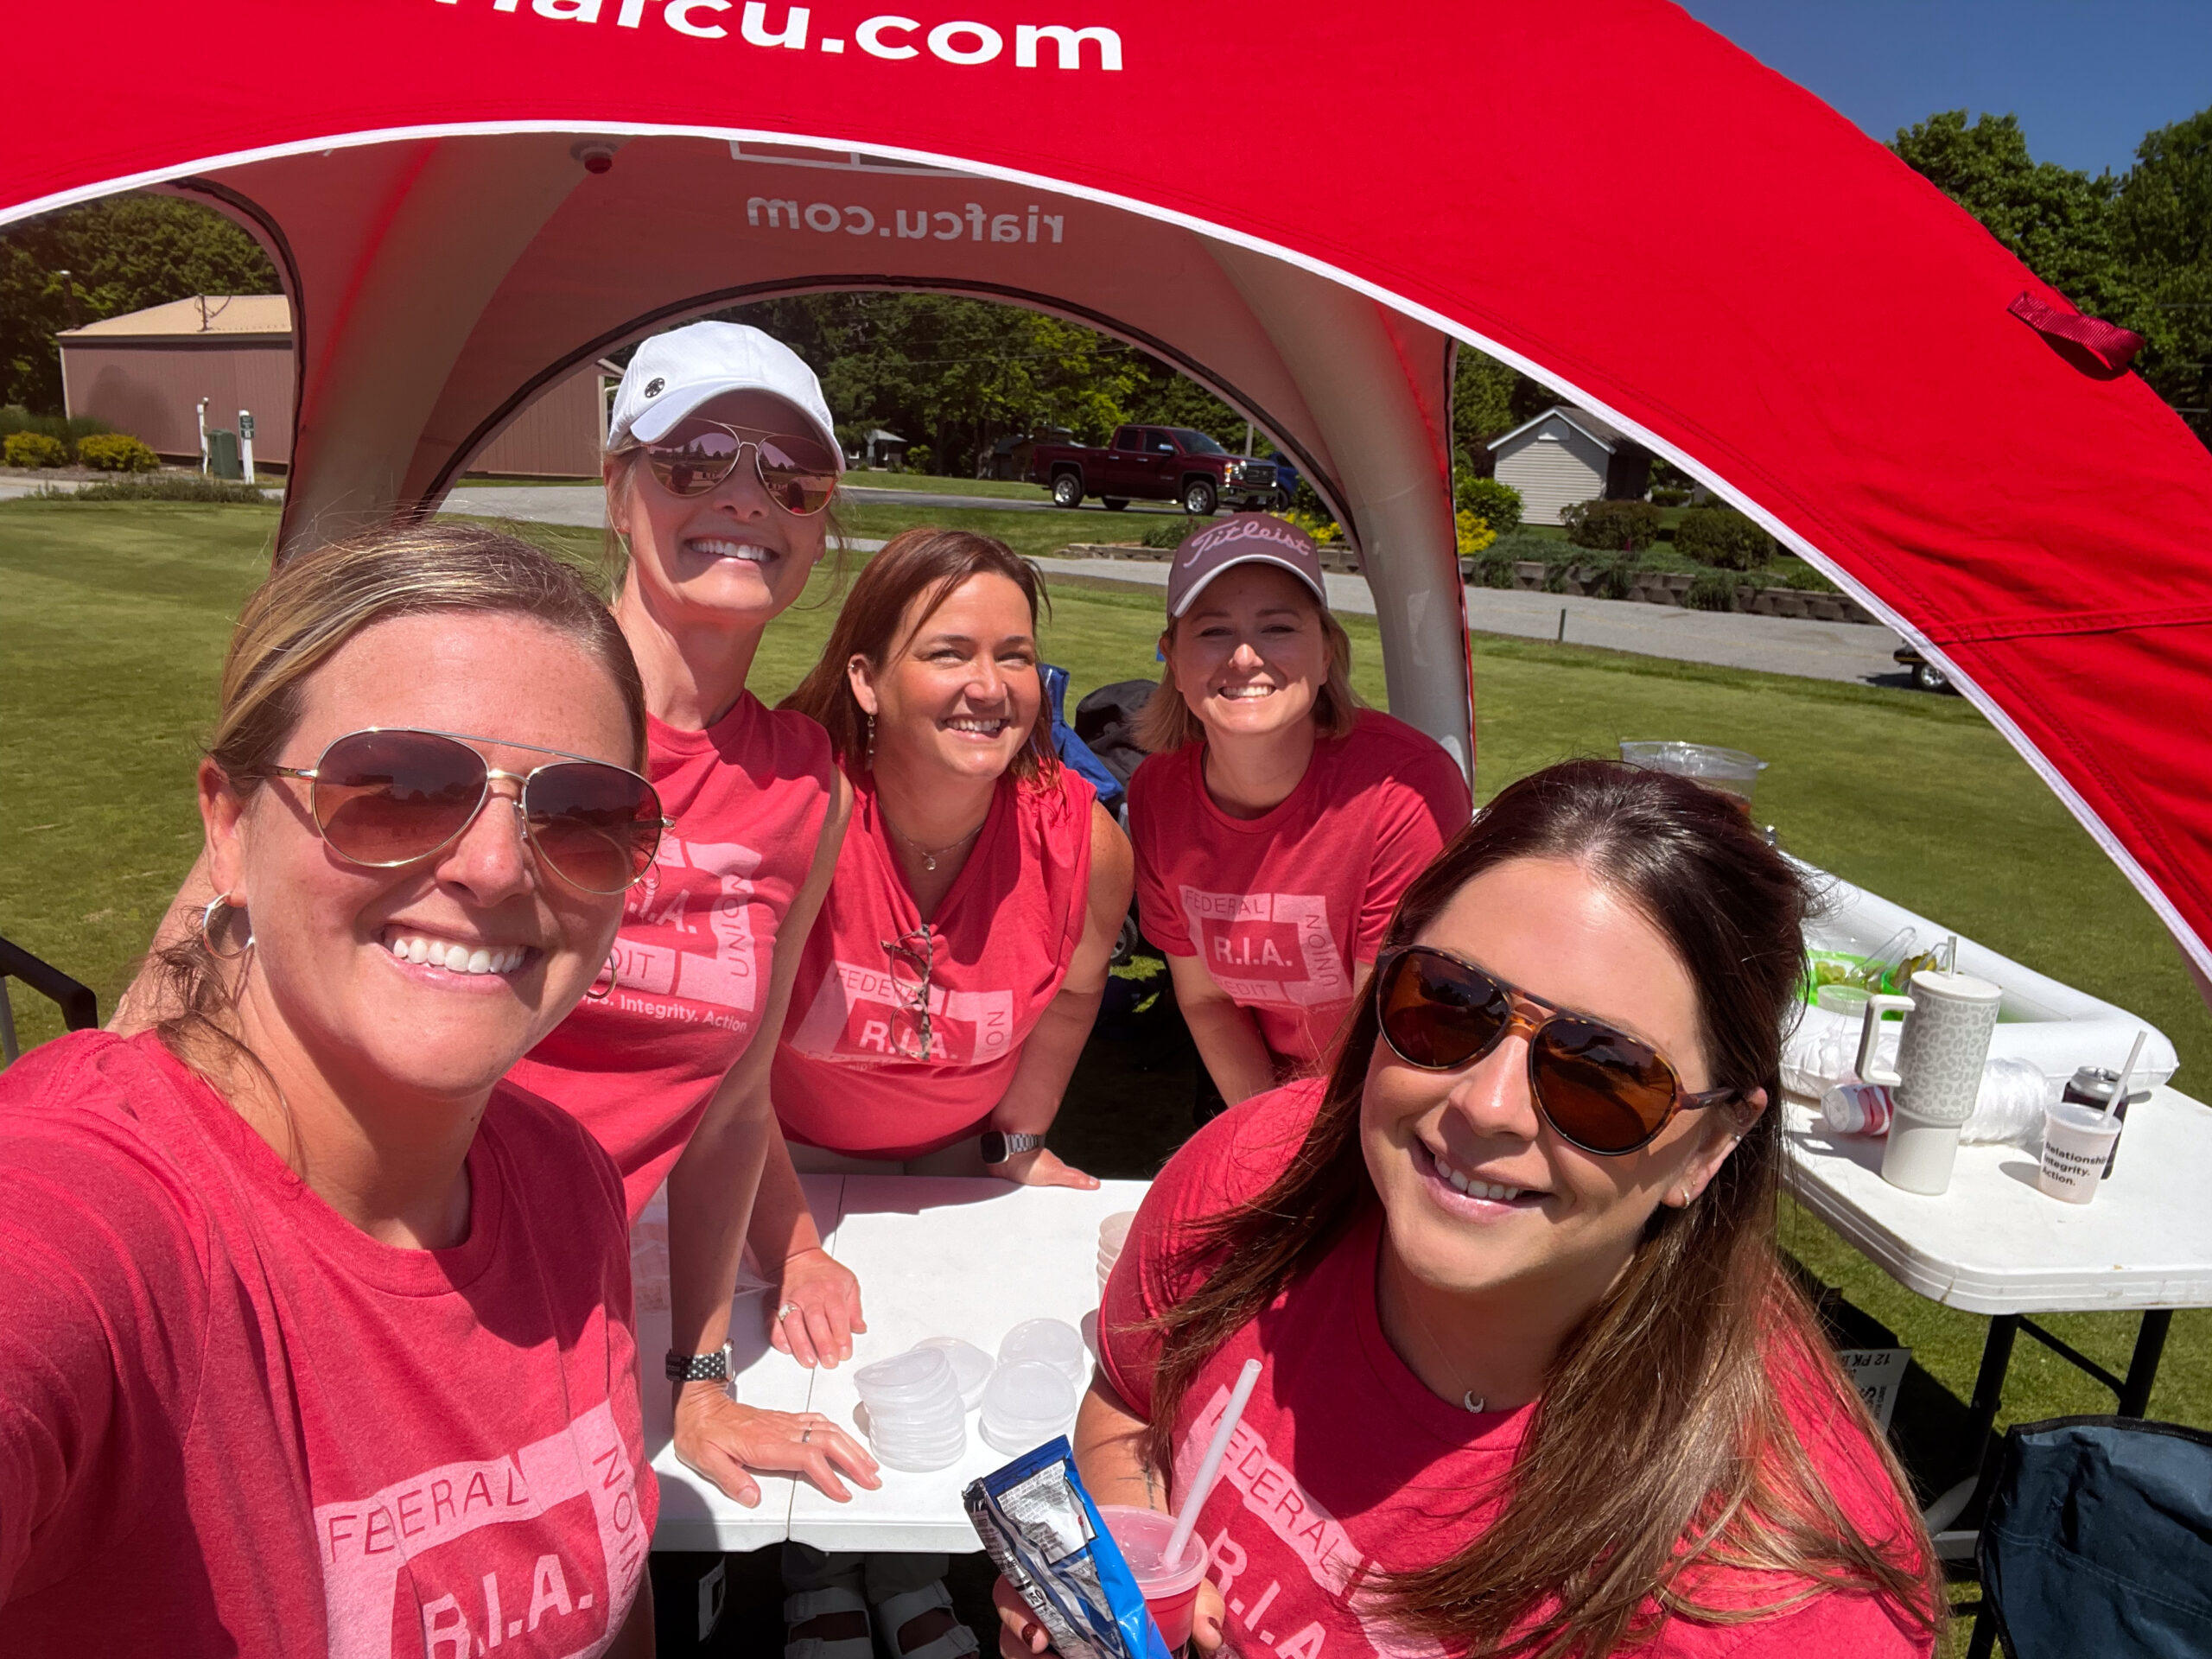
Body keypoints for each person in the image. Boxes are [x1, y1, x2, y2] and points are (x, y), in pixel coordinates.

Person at [112, 321, 878, 1506]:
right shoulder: (492, 693)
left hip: (564, 1311)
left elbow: (731, 1106)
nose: (746, 496)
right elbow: (204, 953)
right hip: (316, 1289)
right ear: (617, 489)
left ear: (821, 520)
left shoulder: (804, 785)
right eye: (695, 459)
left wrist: (705, 1375)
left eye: (792, 476)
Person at [1001, 760, 1941, 1659]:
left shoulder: (1776, 1599)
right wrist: (1123, 1582)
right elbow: (1130, 1396)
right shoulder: (1252, 1175)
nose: (1485, 1107)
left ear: (1711, 1144)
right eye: (1447, 1002)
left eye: (1604, 1071)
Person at [0, 525, 664, 1654]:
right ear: (228, 826)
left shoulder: (565, 1181)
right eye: (401, 785)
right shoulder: (89, 1210)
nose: (497, 867)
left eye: (581, 814)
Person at [763, 528, 1135, 1659]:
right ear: (868, 679)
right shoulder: (803, 817)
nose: (990, 686)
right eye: (950, 652)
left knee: (946, 1393)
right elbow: (723, 1062)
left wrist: (1016, 1143)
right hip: (776, 1163)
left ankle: (906, 1567)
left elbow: (1070, 1006)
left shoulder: (1086, 841)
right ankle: (802, 1574)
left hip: (944, 1169)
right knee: (797, 1390)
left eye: (1014, 654)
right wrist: (787, 1247)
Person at [1124, 514, 1471, 1115]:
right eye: (1212, 632)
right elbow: (1207, 1003)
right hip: (1272, 1099)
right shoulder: (1158, 793)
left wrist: (1308, 1158)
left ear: (1327, 651)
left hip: (1396, 1092)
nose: (1244, 657)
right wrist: (1262, 1133)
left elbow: (1383, 1026)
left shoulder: (1404, 787)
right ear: (1172, 661)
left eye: (1278, 627)